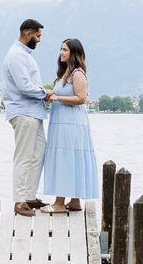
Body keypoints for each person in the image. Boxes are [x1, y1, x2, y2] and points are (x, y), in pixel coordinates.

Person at [39, 37, 100, 211]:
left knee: (66, 158)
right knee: (69, 157)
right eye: (61, 49)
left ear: (74, 53)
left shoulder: (78, 73)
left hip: (71, 124)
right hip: (62, 123)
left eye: (65, 50)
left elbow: (81, 98)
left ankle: (59, 203)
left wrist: (57, 97)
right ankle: (74, 201)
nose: (61, 53)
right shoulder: (64, 74)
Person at [1, 18, 49, 215]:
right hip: (23, 112)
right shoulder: (17, 56)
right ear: (28, 33)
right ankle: (19, 201)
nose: (39, 40)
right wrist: (46, 93)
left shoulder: (25, 54)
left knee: (39, 153)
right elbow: (24, 86)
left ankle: (30, 196)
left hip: (34, 112)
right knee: (23, 157)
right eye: (38, 36)